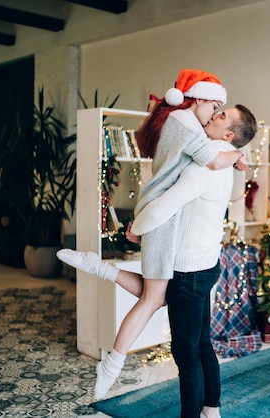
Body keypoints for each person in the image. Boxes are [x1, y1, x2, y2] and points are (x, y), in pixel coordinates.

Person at [57, 68, 249, 400]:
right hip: (176, 239)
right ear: (201, 98)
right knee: (154, 300)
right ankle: (112, 364)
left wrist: (138, 227)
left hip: (177, 241)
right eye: (217, 106)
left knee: (156, 298)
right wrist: (238, 158)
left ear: (228, 133)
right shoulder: (196, 138)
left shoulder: (186, 129)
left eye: (222, 113)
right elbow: (211, 168)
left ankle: (99, 268)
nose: (216, 112)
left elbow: (215, 178)